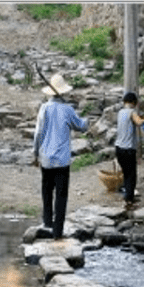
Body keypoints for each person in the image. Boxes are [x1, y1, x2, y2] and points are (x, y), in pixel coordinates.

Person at [32, 73, 90, 240]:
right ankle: (57, 231)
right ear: (62, 92)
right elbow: (81, 126)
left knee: (47, 190)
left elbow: (38, 134)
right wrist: (87, 121)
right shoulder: (68, 109)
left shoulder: (44, 109)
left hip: (46, 159)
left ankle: (47, 222)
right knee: (61, 195)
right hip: (62, 160)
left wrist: (35, 154)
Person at [115, 91, 144, 209]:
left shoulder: (120, 112)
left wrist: (142, 117)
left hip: (119, 148)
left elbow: (135, 119)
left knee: (126, 173)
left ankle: (127, 195)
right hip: (128, 149)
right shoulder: (132, 112)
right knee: (131, 175)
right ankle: (128, 200)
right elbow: (138, 122)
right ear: (134, 102)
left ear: (124, 102)